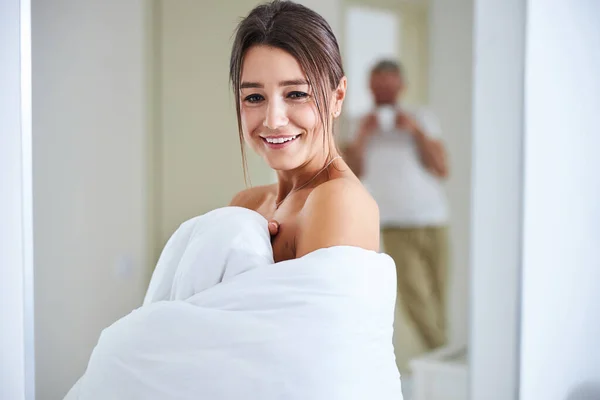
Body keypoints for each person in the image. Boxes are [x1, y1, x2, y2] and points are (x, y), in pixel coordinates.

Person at [228, 2, 380, 262]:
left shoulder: (339, 200)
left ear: (338, 96)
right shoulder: (247, 204)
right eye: (254, 97)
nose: (273, 120)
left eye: (297, 94)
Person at [344, 60, 450, 352]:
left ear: (401, 87)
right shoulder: (356, 124)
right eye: (379, 87)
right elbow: (350, 174)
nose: (385, 93)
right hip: (393, 223)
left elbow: (442, 168)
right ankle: (442, 354)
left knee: (440, 298)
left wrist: (415, 132)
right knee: (415, 301)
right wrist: (363, 137)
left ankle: (441, 366)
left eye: (390, 86)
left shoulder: (421, 118)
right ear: (369, 87)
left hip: (433, 219)